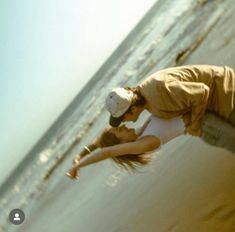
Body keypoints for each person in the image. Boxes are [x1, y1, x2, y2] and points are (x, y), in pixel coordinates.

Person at [105, 65, 235, 137]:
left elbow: (201, 92)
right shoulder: (147, 99)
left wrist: (195, 124)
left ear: (133, 109)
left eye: (123, 118)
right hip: (218, 98)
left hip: (223, 91)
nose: (124, 122)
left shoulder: (159, 91)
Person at [66, 115, 186, 179]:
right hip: (203, 119)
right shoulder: (144, 144)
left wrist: (79, 155)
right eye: (119, 129)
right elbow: (106, 152)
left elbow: (98, 142)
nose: (123, 125)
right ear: (121, 144)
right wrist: (76, 167)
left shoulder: (140, 133)